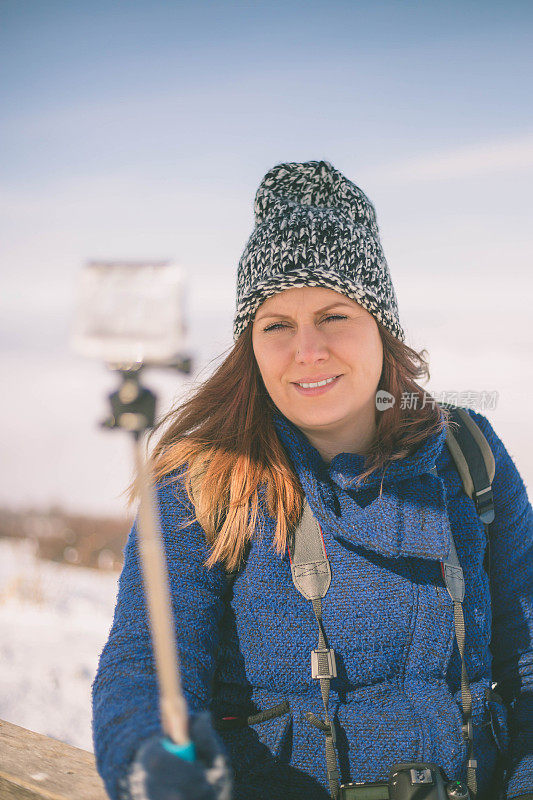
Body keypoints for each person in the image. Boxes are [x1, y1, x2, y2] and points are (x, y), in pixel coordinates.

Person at [92, 160, 533, 800]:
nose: (309, 351)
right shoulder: (205, 481)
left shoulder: (468, 456)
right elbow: (146, 671)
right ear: (250, 342)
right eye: (277, 325)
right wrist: (153, 765)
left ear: (382, 327)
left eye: (334, 315)